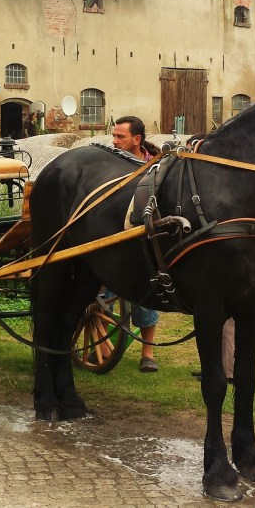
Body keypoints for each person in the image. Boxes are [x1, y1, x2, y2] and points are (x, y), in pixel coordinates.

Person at [111, 115, 163, 372]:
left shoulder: (155, 167)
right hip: (110, 238)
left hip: (143, 240)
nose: (114, 141)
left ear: (137, 139)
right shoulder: (109, 163)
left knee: (146, 296)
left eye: (120, 136)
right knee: (103, 292)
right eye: (114, 135)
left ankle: (148, 352)